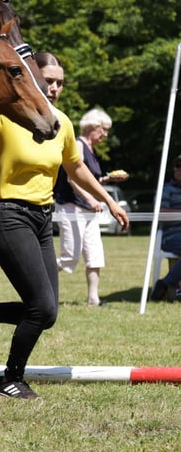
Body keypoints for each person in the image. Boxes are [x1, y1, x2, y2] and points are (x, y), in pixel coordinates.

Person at [0, 51, 129, 400]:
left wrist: (108, 200)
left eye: (60, 81)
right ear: (33, 79)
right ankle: (11, 380)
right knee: (41, 307)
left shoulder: (62, 123)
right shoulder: (4, 117)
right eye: (49, 80)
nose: (55, 87)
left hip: (44, 220)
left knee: (47, 312)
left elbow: (75, 169)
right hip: (8, 217)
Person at [54, 108, 128, 306]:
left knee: (95, 256)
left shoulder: (92, 150)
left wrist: (108, 178)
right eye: (103, 130)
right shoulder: (78, 145)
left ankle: (93, 299)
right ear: (92, 127)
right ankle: (36, 284)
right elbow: (72, 178)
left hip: (88, 212)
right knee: (69, 256)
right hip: (72, 208)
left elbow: (90, 181)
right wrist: (91, 199)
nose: (105, 135)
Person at [150, 155, 181, 302]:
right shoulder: (167, 190)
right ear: (174, 169)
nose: (180, 169)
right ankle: (167, 284)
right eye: (178, 165)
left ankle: (165, 283)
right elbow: (160, 214)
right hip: (171, 235)